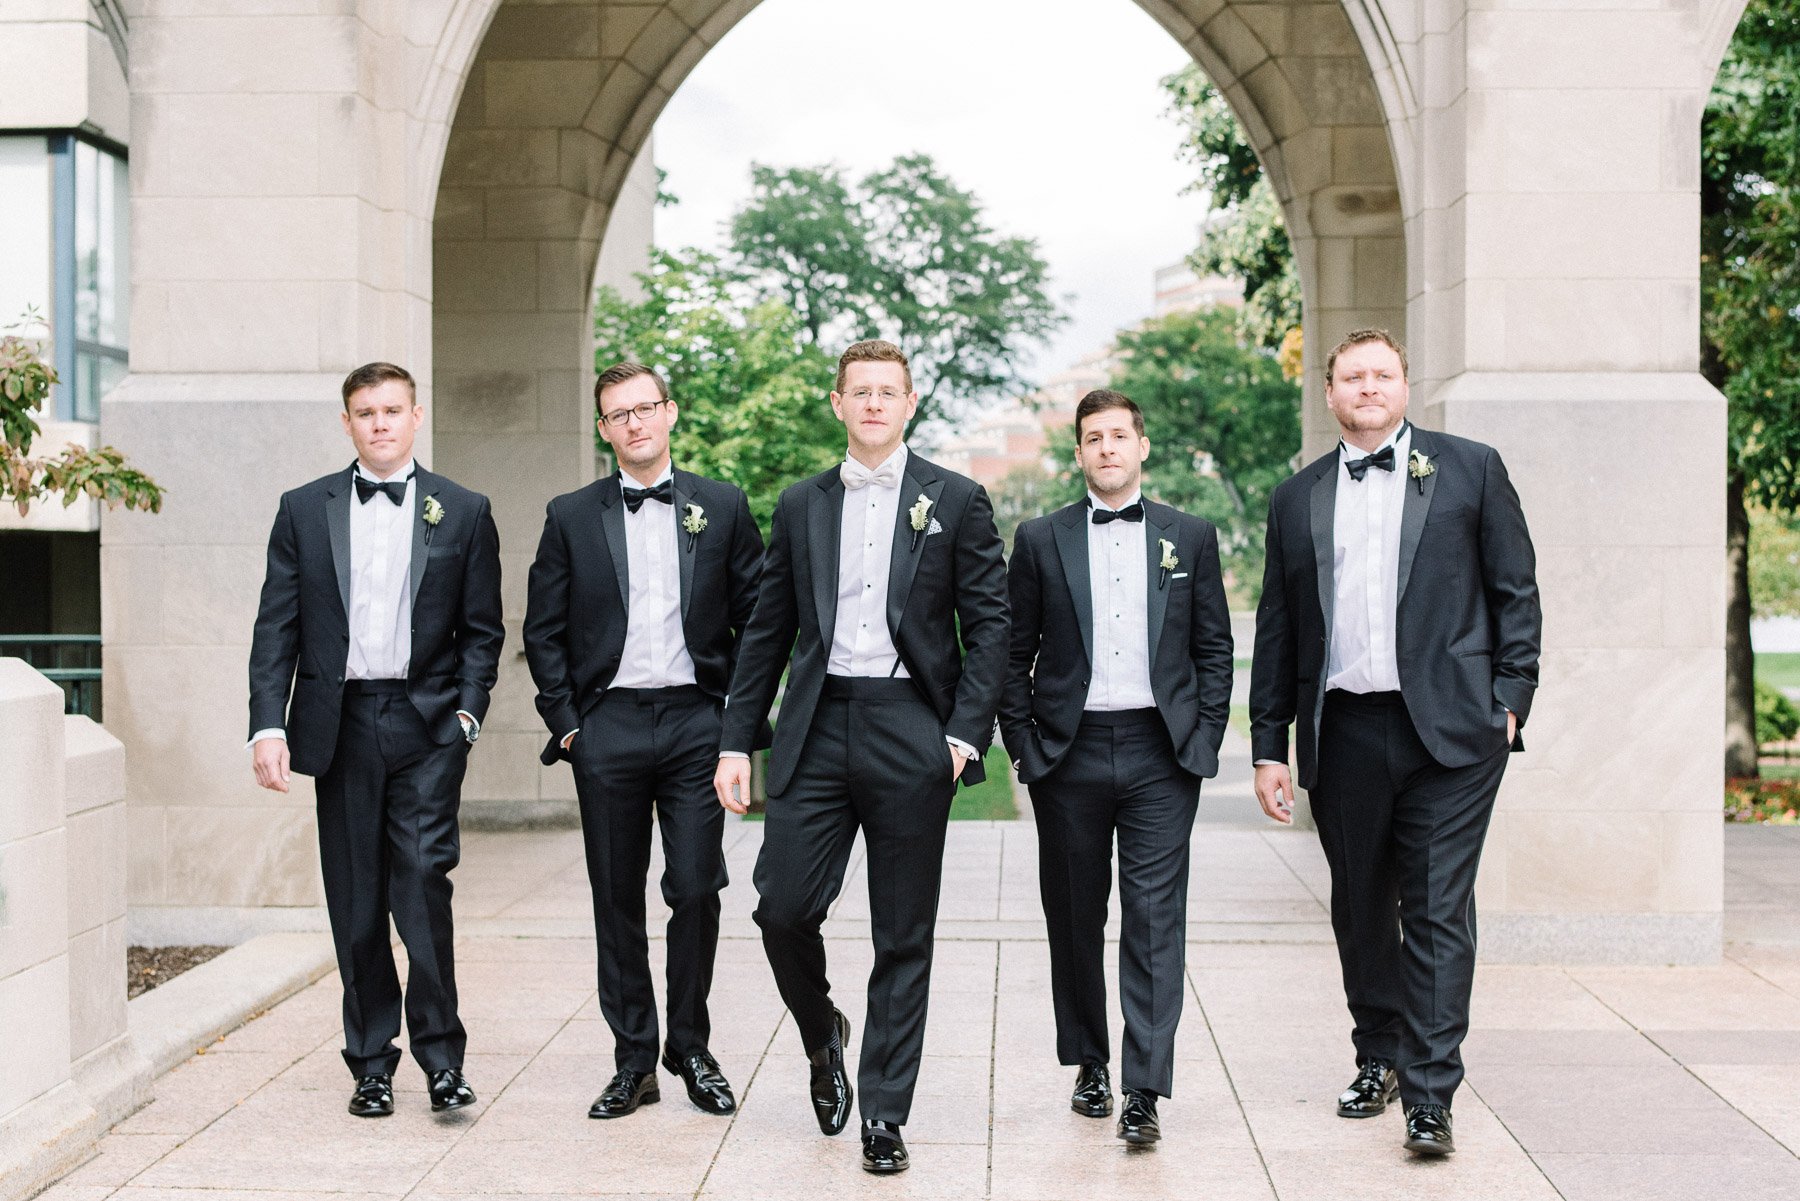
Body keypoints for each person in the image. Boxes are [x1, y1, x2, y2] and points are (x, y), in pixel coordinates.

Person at [712, 339, 1009, 1174]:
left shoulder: (958, 498)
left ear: (910, 403)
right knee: (780, 908)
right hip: (815, 724)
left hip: (912, 727)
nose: (874, 403)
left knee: (902, 930)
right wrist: (738, 738)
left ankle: (884, 1111)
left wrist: (961, 735)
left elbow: (989, 627)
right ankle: (823, 1031)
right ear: (836, 403)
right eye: (860, 391)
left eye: (889, 391)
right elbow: (768, 629)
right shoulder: (802, 503)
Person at [1248, 329, 1540, 1156]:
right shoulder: (1295, 496)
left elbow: (1515, 591)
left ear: (1405, 386)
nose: (1368, 386)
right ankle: (1377, 1052)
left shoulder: (1471, 469)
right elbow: (1279, 628)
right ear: (1331, 392)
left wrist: (1510, 701)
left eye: (1382, 374)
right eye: (1352, 376)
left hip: (1454, 732)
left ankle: (1430, 1088)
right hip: (1344, 728)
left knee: (1439, 904)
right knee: (1361, 906)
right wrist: (1272, 743)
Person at [248, 362, 503, 1118]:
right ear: (348, 422)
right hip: (342, 724)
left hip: (428, 726)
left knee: (423, 883)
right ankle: (369, 1062)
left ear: (416, 416)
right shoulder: (304, 508)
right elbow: (277, 626)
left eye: (392, 410)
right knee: (356, 900)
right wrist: (269, 721)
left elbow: (483, 631)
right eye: (365, 412)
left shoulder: (463, 509)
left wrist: (465, 716)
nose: (380, 423)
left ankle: (442, 1061)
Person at [523, 362, 764, 1120]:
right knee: (615, 896)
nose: (634, 422)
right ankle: (635, 1059)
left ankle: (689, 1045)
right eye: (618, 414)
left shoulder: (720, 506)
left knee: (696, 886)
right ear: (604, 429)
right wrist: (569, 726)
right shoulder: (570, 514)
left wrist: (738, 728)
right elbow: (542, 629)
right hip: (608, 725)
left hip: (698, 721)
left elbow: (759, 621)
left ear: (670, 413)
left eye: (645, 408)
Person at [999, 388, 1234, 1145]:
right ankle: (1089, 1061)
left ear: (1142, 446)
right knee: (1073, 914)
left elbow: (1214, 649)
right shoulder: (1040, 539)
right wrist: (1025, 749)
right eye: (1092, 437)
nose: (1107, 447)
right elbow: (1011, 653)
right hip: (1067, 753)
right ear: (1078, 452)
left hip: (1161, 754)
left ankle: (1145, 1085)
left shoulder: (1188, 536)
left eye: (1119, 435)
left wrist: (1201, 739)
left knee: (1155, 919)